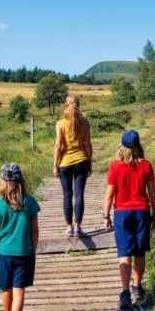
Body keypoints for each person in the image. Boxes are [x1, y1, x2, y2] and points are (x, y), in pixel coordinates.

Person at [0, 163, 40, 311]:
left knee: (6, 290)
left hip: (4, 253)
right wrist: (33, 249)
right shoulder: (30, 202)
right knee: (19, 291)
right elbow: (35, 230)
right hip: (24, 252)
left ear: (2, 182)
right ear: (20, 181)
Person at [104, 129, 155, 310]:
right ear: (138, 146)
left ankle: (125, 292)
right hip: (142, 212)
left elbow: (109, 194)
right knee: (140, 253)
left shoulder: (115, 167)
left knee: (124, 254)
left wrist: (106, 215)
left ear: (122, 146)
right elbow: (152, 193)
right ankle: (137, 287)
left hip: (122, 213)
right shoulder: (146, 166)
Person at [53, 95, 93, 237]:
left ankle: (69, 227)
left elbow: (58, 146)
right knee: (79, 194)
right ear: (78, 106)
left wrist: (55, 165)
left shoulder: (60, 124)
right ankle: (78, 227)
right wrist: (90, 162)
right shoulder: (85, 123)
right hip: (82, 161)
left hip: (65, 163)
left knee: (67, 195)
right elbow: (87, 145)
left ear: (65, 106)